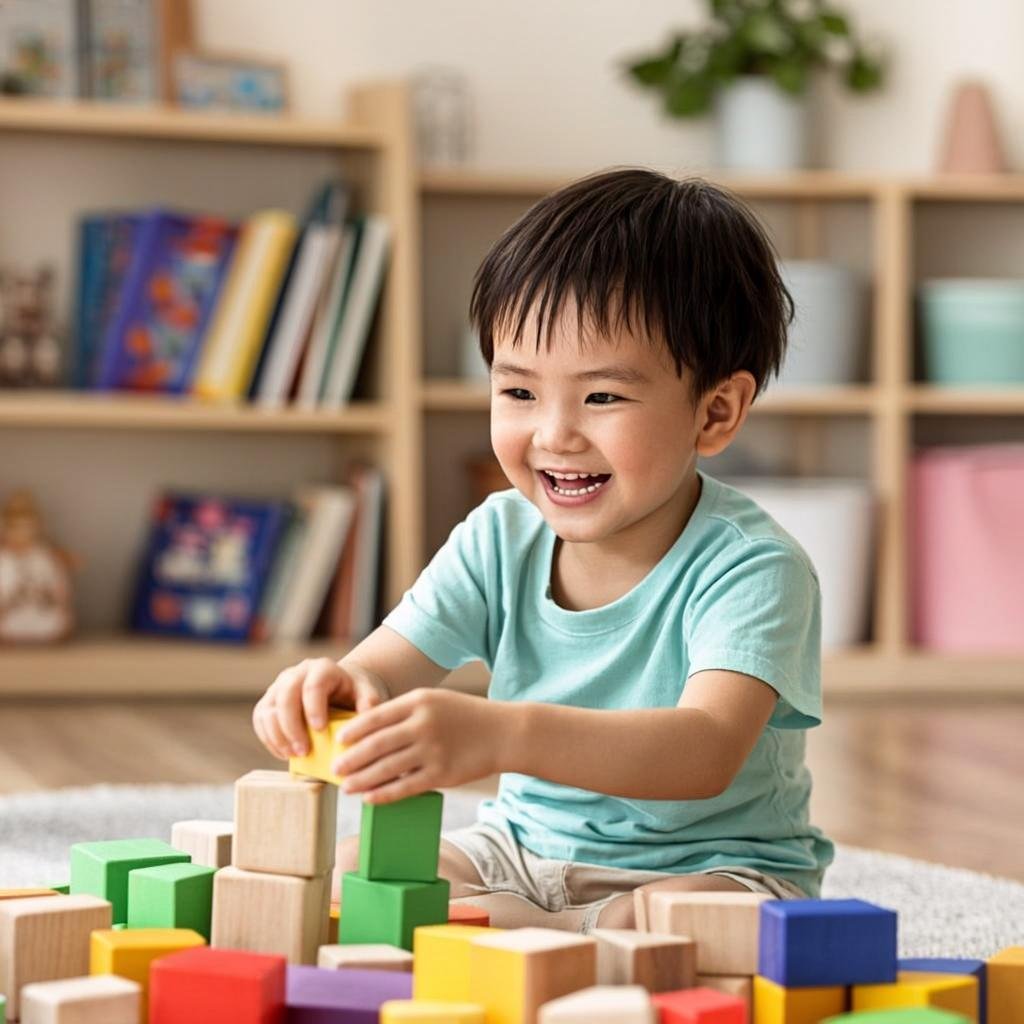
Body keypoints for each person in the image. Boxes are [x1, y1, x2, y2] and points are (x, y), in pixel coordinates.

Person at [253, 168, 834, 933]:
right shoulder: (499, 536)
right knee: (360, 872)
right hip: (520, 850)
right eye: (519, 392)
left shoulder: (753, 568)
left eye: (602, 397)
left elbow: (705, 751)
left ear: (716, 411)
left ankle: (545, 935)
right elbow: (384, 670)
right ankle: (540, 929)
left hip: (712, 864)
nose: (553, 434)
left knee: (697, 921)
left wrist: (502, 733)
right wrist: (332, 687)